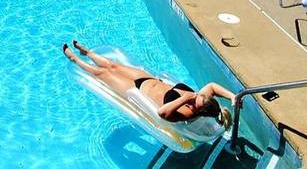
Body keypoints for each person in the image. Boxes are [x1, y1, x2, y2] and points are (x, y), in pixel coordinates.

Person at [63, 40, 234, 127]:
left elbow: (162, 113)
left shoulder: (187, 112)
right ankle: (88, 52)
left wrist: (186, 98)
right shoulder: (201, 100)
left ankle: (75, 59)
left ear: (198, 109)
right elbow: (212, 86)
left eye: (196, 100)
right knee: (113, 65)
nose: (196, 95)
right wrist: (233, 96)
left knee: (102, 72)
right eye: (198, 95)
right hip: (148, 79)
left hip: (136, 90)